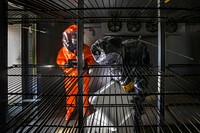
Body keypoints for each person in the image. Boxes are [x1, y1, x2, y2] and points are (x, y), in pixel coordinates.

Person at [56, 24, 95, 120]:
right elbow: (59, 60)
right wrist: (65, 64)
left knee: (85, 94)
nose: (74, 39)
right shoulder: (64, 50)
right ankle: (69, 111)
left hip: (83, 75)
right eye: (72, 36)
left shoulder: (85, 48)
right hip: (70, 76)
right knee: (70, 95)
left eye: (75, 36)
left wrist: (87, 64)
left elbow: (91, 59)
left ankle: (85, 110)